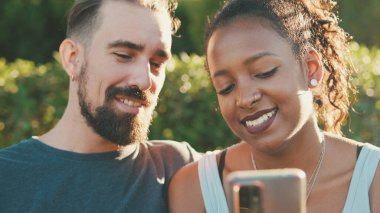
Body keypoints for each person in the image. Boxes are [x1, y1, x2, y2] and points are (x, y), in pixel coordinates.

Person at [169, 0, 380, 212]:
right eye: (226, 87)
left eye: (264, 72)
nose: (244, 98)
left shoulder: (373, 177)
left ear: (311, 69)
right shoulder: (194, 187)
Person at [0, 0, 201, 212]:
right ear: (72, 58)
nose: (144, 80)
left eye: (157, 64)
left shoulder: (180, 168)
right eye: (124, 56)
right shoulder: (7, 177)